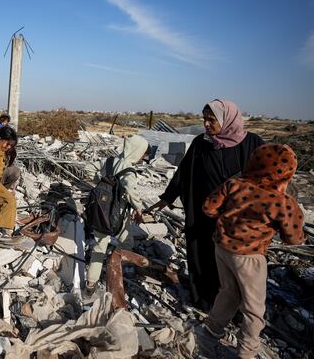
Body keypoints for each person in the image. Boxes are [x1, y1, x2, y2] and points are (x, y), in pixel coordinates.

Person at [149, 99, 264, 309]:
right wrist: (167, 197)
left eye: (212, 120)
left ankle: (237, 308)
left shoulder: (253, 144)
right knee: (205, 256)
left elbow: (271, 176)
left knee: (237, 263)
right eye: (204, 119)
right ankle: (205, 300)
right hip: (205, 216)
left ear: (227, 119)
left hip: (238, 220)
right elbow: (183, 173)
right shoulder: (201, 144)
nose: (206, 124)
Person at [201, 144, 304, 359]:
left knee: (228, 291)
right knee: (253, 308)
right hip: (250, 256)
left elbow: (209, 208)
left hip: (222, 248)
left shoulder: (235, 184)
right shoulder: (282, 202)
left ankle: (211, 330)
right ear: (287, 172)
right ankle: (246, 353)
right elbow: (293, 239)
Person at [86, 135, 150, 292]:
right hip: (118, 215)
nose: (144, 158)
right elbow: (129, 189)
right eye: (143, 154)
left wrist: (101, 181)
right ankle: (115, 267)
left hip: (100, 211)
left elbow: (88, 168)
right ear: (137, 151)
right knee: (127, 242)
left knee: (99, 247)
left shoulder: (109, 162)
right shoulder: (129, 170)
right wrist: (138, 208)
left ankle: (90, 283)